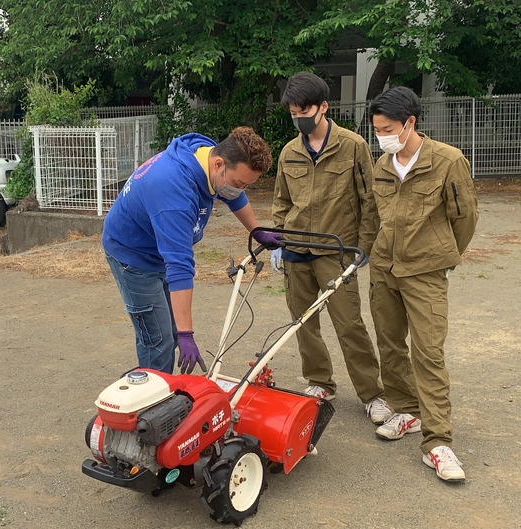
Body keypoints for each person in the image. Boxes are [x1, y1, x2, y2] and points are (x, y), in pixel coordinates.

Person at [367, 86, 478, 482]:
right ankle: (407, 410)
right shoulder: (382, 165)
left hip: (426, 271)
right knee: (391, 344)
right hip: (384, 268)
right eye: (377, 128)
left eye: (388, 127)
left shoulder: (448, 160)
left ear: (411, 122)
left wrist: (443, 257)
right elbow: (374, 217)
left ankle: (438, 442)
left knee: (428, 352)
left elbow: (464, 218)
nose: (381, 135)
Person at [269, 71, 393, 426]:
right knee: (303, 323)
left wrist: (363, 247)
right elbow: (281, 201)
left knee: (349, 324)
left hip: (336, 251)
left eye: (304, 110)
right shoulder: (289, 151)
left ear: (324, 107)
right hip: (296, 249)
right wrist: (278, 240)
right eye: (293, 112)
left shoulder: (352, 145)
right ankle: (320, 382)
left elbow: (370, 200)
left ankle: (373, 394)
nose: (299, 117)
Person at [102, 127, 279, 374]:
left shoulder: (206, 156)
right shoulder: (174, 193)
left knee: (170, 330)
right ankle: (152, 403)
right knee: (159, 339)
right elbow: (179, 266)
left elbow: (233, 195)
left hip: (158, 247)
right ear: (218, 164)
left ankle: (161, 388)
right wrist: (187, 334)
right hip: (133, 255)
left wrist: (256, 230)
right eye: (239, 183)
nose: (240, 190)